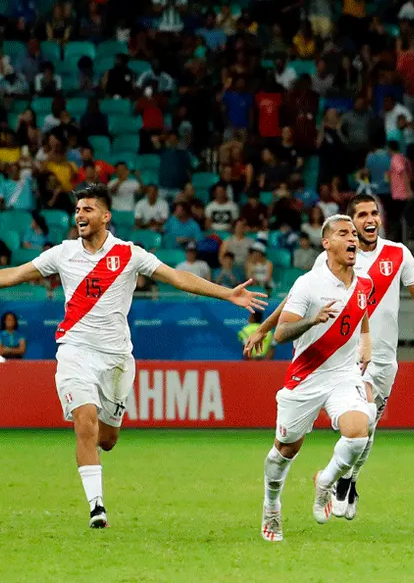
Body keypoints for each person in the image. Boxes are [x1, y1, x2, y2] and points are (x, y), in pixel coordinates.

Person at [0, 184, 265, 529]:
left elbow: (177, 277)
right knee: (84, 422)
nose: (80, 215)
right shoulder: (63, 253)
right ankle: (97, 507)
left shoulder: (129, 254)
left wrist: (227, 294)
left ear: (105, 216)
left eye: (87, 209)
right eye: (78, 210)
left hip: (116, 359)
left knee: (107, 439)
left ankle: (99, 451)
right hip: (74, 350)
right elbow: (16, 274)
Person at [247, 197, 414, 519]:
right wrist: (265, 328)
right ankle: (331, 482)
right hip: (346, 360)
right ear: (351, 223)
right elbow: (297, 298)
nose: (369, 219)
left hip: (383, 358)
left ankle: (348, 481)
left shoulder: (398, 253)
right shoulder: (331, 259)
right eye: (362, 215)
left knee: (368, 428)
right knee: (362, 418)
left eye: (374, 213)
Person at [257, 215, 373, 542]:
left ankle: (325, 481)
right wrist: (312, 320)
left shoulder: (364, 283)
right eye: (343, 234)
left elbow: (361, 315)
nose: (352, 239)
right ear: (327, 243)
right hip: (306, 376)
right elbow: (281, 334)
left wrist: (366, 342)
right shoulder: (309, 284)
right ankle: (271, 504)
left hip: (343, 374)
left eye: (354, 234)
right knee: (284, 450)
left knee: (358, 434)